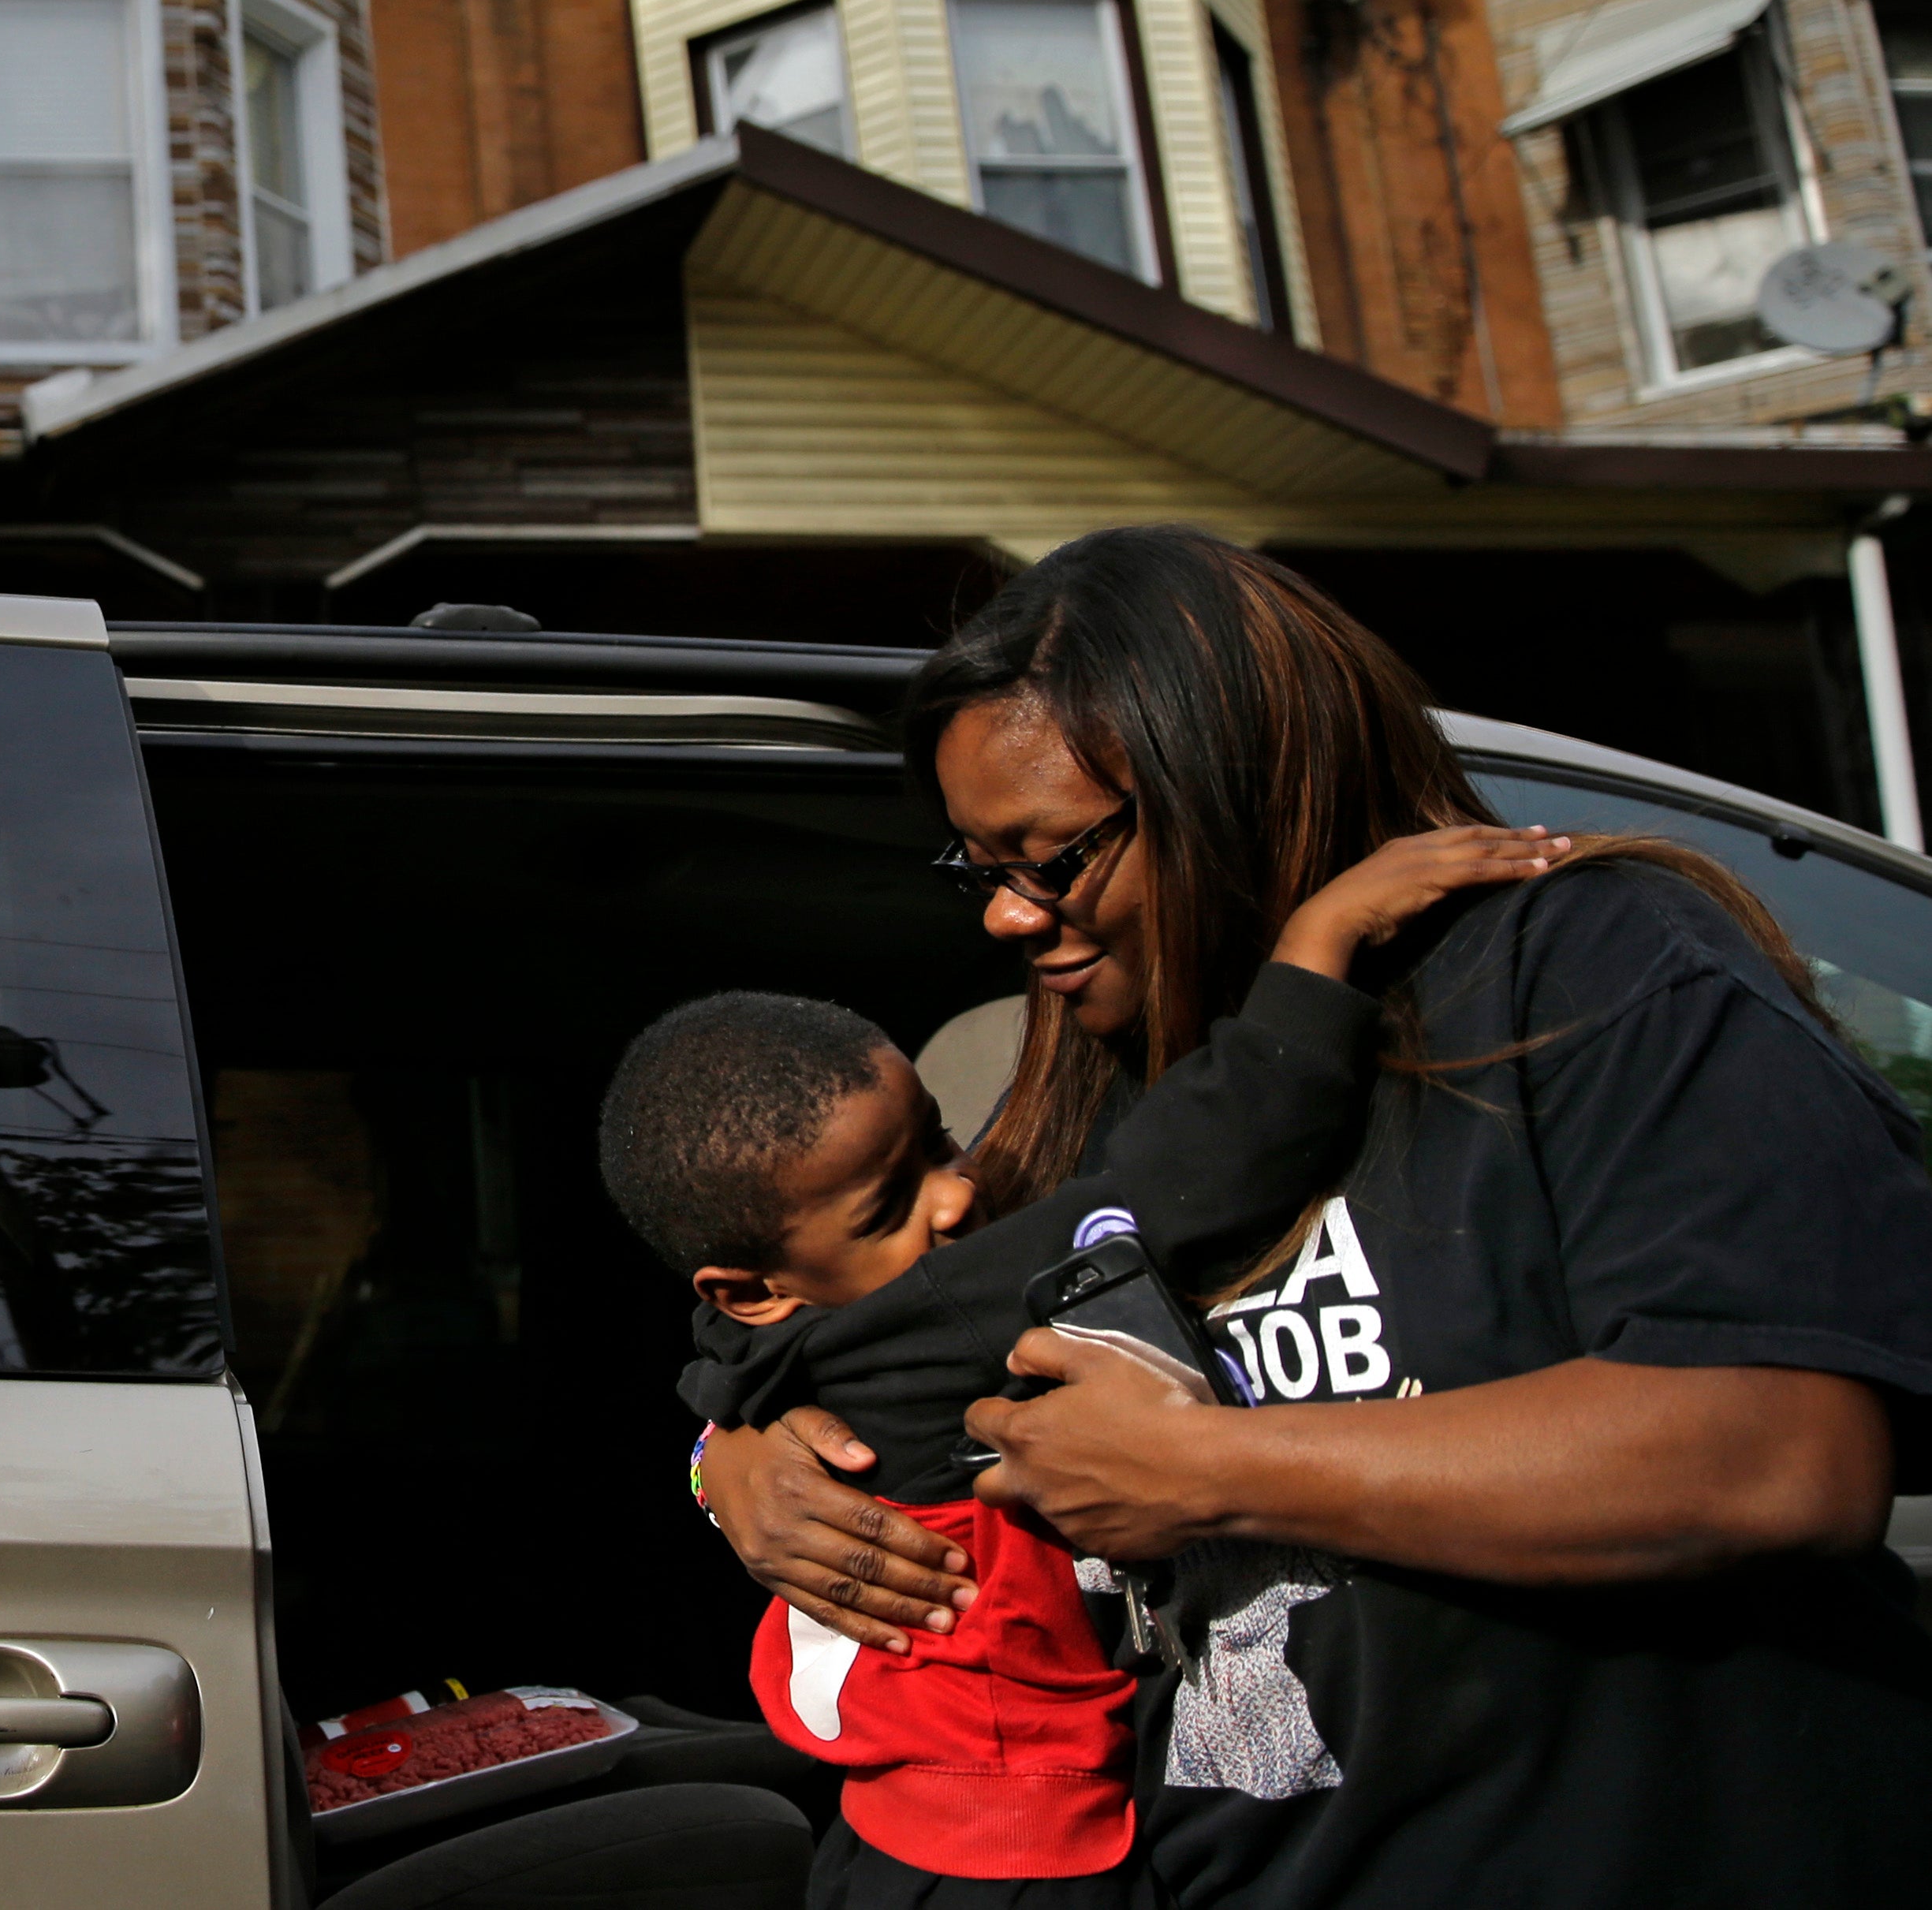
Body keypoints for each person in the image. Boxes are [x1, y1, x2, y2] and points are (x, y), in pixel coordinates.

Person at [693, 524, 1932, 1906]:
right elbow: (895, 1340)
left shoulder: (1586, 964)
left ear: (1228, 786)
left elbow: (1777, 1454)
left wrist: (1216, 1471)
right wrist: (742, 1463)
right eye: (979, 867)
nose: (1007, 917)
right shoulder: (1099, 1076)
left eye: (1053, 858)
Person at [599, 826, 1564, 1908]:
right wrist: (1319, 944)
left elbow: (714, 1382)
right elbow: (1195, 1170)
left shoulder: (763, 1348)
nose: (957, 1195)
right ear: (750, 1289)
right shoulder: (940, 1318)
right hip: (1018, 1851)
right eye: (889, 1207)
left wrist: (719, 1452)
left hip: (901, 1833)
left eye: (938, 1140)